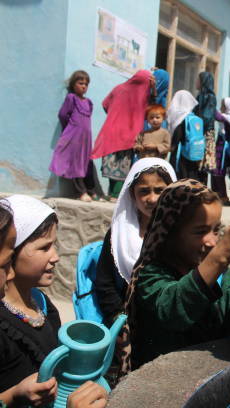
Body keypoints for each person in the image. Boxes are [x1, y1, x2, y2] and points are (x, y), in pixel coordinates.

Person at [124, 179, 230, 369]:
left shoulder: (222, 276)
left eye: (216, 230)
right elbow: (173, 310)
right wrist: (218, 258)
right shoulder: (151, 275)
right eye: (200, 231)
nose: (212, 242)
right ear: (171, 234)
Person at [95, 158, 176, 328]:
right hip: (128, 322)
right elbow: (105, 283)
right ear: (132, 194)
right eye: (144, 191)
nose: (152, 199)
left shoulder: (181, 232)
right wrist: (119, 322)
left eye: (160, 190)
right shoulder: (118, 235)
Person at [0, 195, 61, 399]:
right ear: (12, 253)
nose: (55, 257)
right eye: (44, 247)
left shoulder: (42, 303)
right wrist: (13, 396)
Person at [92, 70, 155, 200]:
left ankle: (112, 194)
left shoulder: (118, 88)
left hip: (111, 131)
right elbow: (150, 111)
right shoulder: (143, 96)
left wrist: (115, 115)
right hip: (128, 136)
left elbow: (105, 105)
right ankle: (115, 196)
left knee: (111, 165)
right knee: (122, 167)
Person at [49, 70, 97, 202]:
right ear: (73, 84)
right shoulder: (71, 98)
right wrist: (70, 129)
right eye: (80, 83)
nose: (84, 86)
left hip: (86, 139)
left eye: (86, 84)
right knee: (76, 163)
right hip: (74, 137)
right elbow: (63, 115)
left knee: (87, 163)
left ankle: (91, 190)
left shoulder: (89, 102)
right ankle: (81, 192)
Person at [167, 90, 200, 180]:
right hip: (192, 153)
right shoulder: (194, 116)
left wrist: (171, 147)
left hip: (180, 154)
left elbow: (177, 136)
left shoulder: (179, 117)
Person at [210, 98, 230, 203]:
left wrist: (209, 101)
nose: (221, 107)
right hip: (219, 145)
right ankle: (218, 194)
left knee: (219, 171)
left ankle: (223, 195)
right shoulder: (226, 117)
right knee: (215, 172)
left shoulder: (229, 118)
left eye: (223, 105)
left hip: (223, 148)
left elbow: (216, 115)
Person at [194, 71, 217, 184]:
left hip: (205, 133)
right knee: (198, 163)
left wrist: (197, 128)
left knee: (204, 165)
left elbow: (207, 117)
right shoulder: (199, 96)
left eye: (198, 80)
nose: (196, 82)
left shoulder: (210, 97)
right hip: (199, 132)